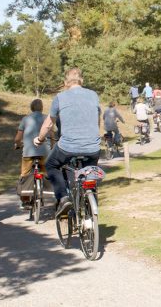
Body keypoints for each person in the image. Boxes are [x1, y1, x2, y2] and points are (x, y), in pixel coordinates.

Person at [33, 68, 101, 217]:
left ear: (65, 82)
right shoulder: (94, 95)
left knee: (51, 164)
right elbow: (97, 121)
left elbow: (49, 124)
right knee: (90, 172)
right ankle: (92, 205)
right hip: (93, 146)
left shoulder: (60, 97)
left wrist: (40, 139)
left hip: (68, 147)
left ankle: (63, 198)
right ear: (82, 81)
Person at [14, 99, 50, 209]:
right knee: (47, 173)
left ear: (31, 108)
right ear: (42, 107)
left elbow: (18, 138)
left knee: (24, 175)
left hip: (28, 153)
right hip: (45, 152)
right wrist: (52, 147)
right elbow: (52, 133)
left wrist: (17, 144)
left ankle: (25, 201)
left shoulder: (25, 119)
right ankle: (48, 192)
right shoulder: (47, 118)